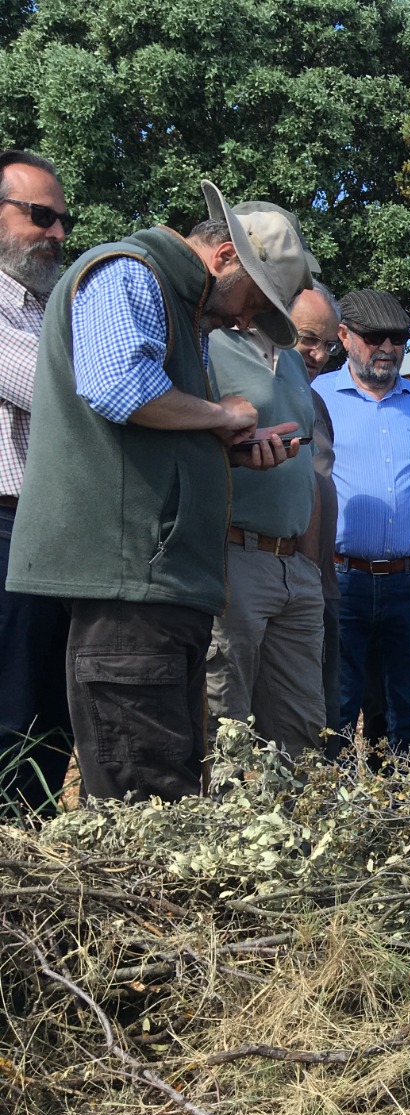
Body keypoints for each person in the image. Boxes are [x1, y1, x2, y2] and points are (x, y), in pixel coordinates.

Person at [8, 181, 309, 803]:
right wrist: (221, 416)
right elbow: (120, 387)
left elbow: (144, 427)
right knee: (142, 794)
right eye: (256, 302)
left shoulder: (181, 304)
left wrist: (223, 451)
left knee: (165, 780)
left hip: (156, 585)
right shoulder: (128, 272)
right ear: (226, 257)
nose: (247, 320)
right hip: (129, 583)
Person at [313, 288, 410, 756]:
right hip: (340, 582)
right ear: (344, 335)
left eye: (398, 338)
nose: (388, 348)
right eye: (375, 336)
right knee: (333, 715)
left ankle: (407, 826)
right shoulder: (315, 397)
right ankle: (333, 824)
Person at [203, 202, 325, 757]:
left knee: (303, 728)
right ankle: (217, 839)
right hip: (233, 555)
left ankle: (297, 840)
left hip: (294, 566)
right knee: (222, 723)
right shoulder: (208, 340)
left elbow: (313, 469)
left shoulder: (296, 362)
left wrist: (310, 565)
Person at [0, 149, 73, 816]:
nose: (56, 234)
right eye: (40, 216)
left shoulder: (54, 309)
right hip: (6, 522)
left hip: (58, 526)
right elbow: (55, 390)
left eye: (62, 221)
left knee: (56, 707)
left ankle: (40, 857)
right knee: (11, 703)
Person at [289, 283, 344, 736]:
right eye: (308, 339)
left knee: (315, 730)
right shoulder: (239, 387)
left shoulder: (316, 401)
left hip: (317, 586)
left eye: (327, 345)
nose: (319, 354)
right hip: (268, 576)